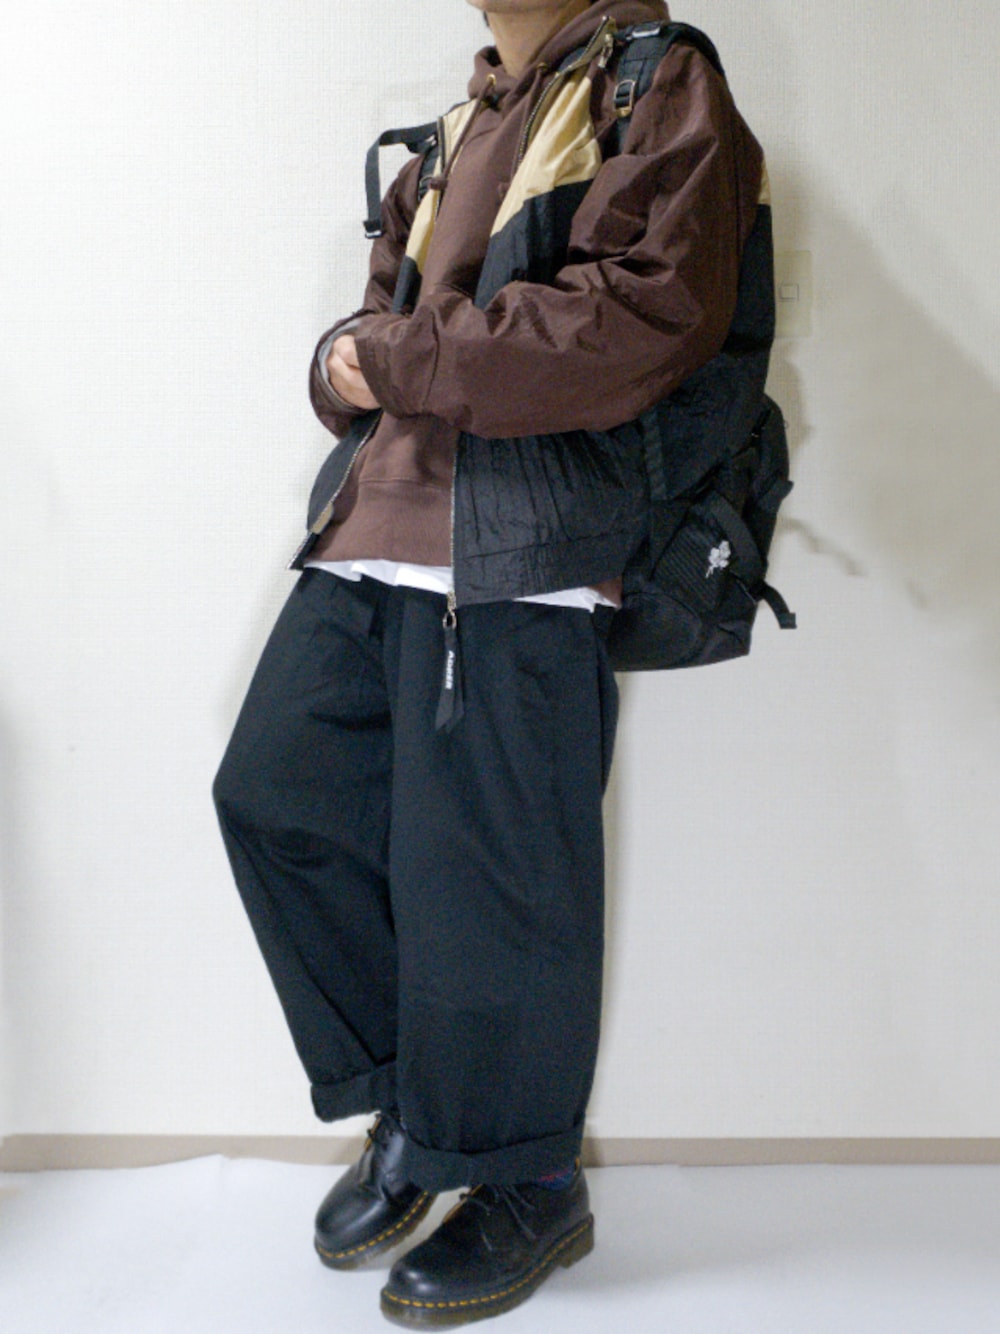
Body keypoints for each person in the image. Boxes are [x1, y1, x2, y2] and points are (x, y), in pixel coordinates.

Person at [213, 0, 769, 1324]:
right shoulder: (460, 122)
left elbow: (635, 322)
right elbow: (370, 335)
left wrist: (383, 358)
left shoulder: (659, 84)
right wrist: (344, 363)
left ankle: (530, 1181)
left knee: (496, 884)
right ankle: (423, 1110)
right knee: (277, 794)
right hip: (373, 530)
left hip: (522, 549)